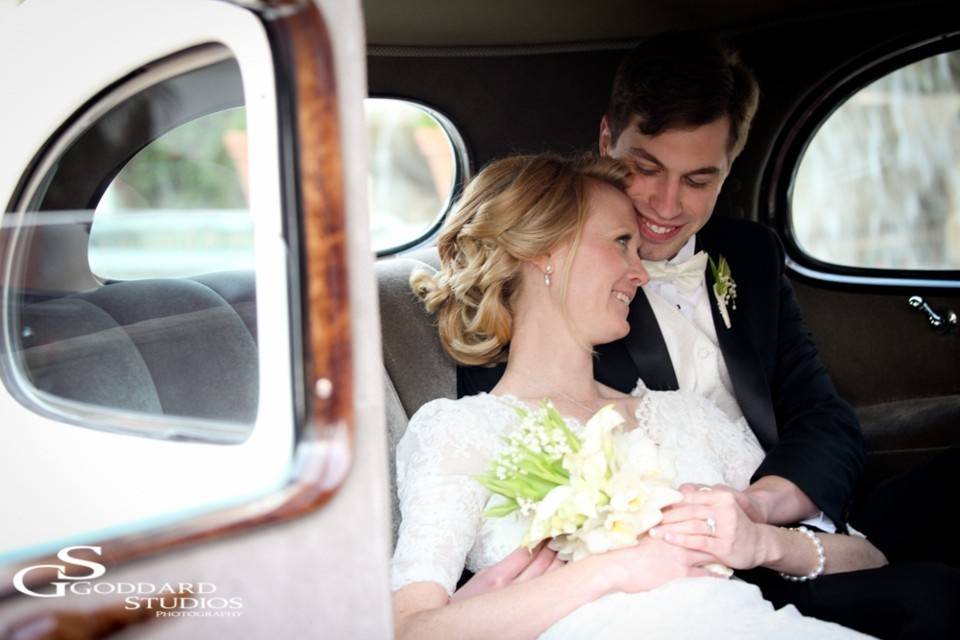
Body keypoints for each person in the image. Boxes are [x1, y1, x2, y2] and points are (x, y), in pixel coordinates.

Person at [459, 33, 960, 639]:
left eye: (699, 179)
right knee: (933, 595)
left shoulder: (747, 254)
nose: (667, 205)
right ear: (604, 141)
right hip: (704, 581)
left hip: (797, 517)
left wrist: (762, 511)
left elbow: (822, 416)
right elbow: (514, 446)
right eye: (645, 169)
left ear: (729, 170)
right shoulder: (555, 287)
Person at [392, 153, 885, 639]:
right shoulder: (460, 432)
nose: (642, 272)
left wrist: (763, 543)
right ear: (547, 251)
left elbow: (869, 558)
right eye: (621, 243)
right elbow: (409, 628)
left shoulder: (685, 417)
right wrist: (613, 570)